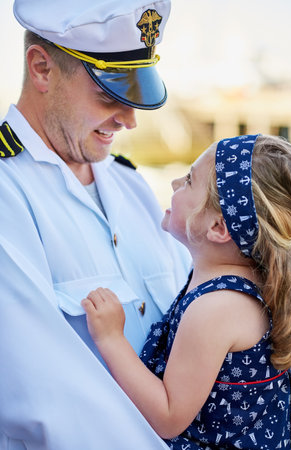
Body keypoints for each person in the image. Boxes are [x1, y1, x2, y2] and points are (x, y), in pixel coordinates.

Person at [0, 0, 191, 449]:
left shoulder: (132, 186)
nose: (129, 120)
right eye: (109, 95)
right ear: (42, 68)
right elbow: (51, 401)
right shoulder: (7, 194)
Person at [82, 134, 291, 449]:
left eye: (188, 181)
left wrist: (111, 339)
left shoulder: (217, 309)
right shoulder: (242, 287)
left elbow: (169, 416)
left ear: (218, 228)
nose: (173, 183)